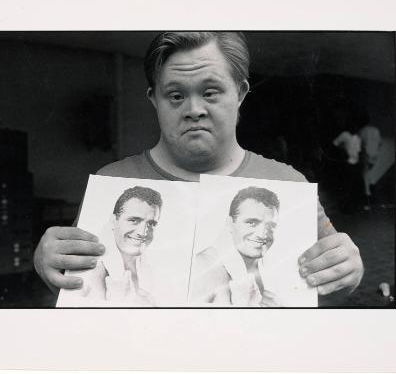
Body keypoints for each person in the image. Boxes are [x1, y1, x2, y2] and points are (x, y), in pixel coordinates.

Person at [34, 32, 364, 305]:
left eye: (210, 92)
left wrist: (348, 271)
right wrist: (49, 265)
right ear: (154, 99)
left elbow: (320, 285)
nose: (194, 109)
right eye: (175, 96)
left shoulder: (287, 184)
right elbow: (80, 290)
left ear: (240, 92)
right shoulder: (112, 183)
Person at [57, 186, 162, 307]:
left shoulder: (148, 265)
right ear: (113, 221)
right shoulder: (90, 270)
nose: (143, 232)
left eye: (151, 224)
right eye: (134, 220)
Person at [190, 186, 283, 307]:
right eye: (251, 223)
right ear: (229, 224)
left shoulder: (274, 269)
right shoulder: (203, 267)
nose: (262, 234)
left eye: (270, 226)